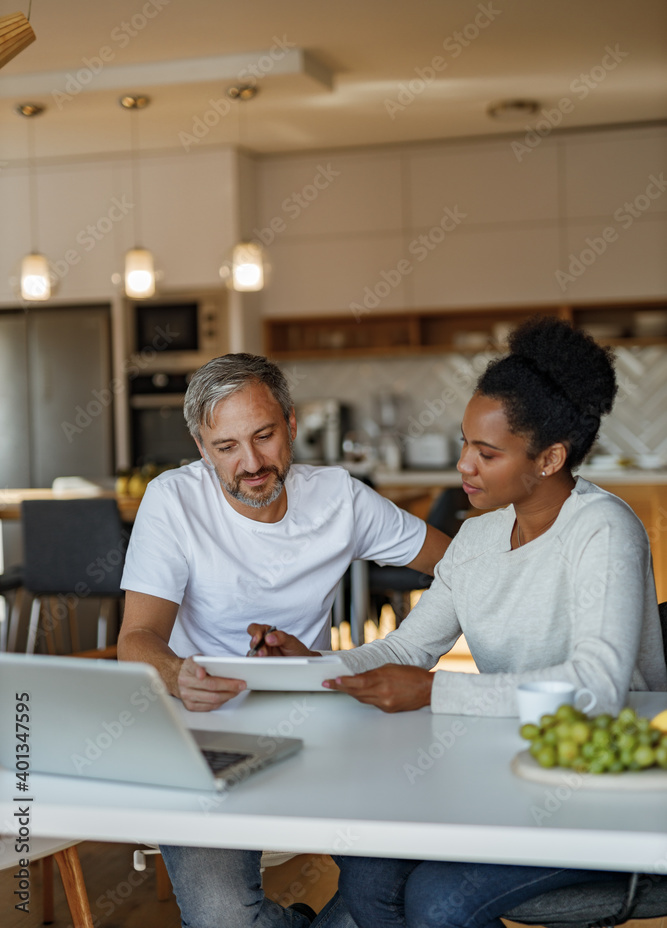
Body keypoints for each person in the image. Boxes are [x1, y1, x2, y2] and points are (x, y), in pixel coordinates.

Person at [257, 316, 667, 928]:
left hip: (605, 796)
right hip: (506, 775)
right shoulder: (474, 541)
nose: (463, 466)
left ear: (550, 457)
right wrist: (316, 664)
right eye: (464, 443)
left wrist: (436, 691)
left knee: (439, 900)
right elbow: (408, 647)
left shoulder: (604, 531)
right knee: (367, 865)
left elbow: (597, 687)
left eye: (487, 452)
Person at [117, 351, 450, 928]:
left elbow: (458, 567)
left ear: (291, 425)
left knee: (403, 883)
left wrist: (373, 656)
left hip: (321, 717)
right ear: (201, 446)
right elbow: (138, 638)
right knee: (223, 919)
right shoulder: (173, 502)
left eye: (265, 436)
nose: (251, 463)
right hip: (203, 734)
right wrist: (176, 674)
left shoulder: (339, 497)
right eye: (226, 447)